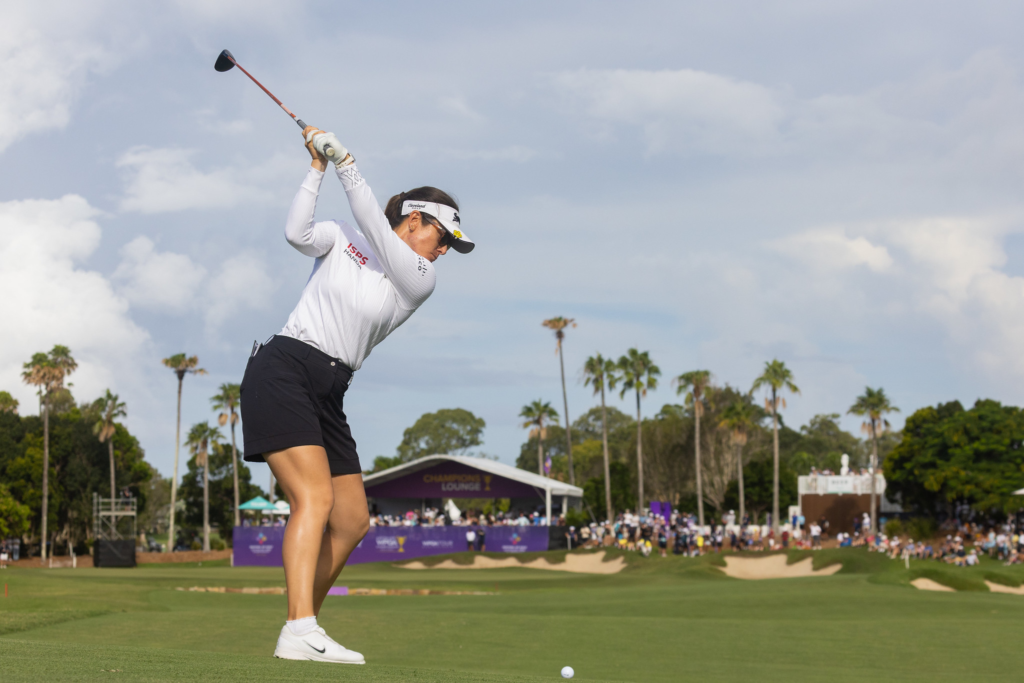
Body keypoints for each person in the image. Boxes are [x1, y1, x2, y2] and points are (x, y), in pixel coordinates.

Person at [240, 127, 474, 664]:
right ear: (413, 219)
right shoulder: (345, 236)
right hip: (285, 368)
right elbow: (297, 233)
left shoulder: (419, 278)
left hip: (330, 389)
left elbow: (375, 226)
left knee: (351, 521)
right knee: (315, 500)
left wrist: (346, 162)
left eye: (450, 245)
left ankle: (301, 626)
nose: (443, 249)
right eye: (441, 235)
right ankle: (300, 628)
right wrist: (319, 167)